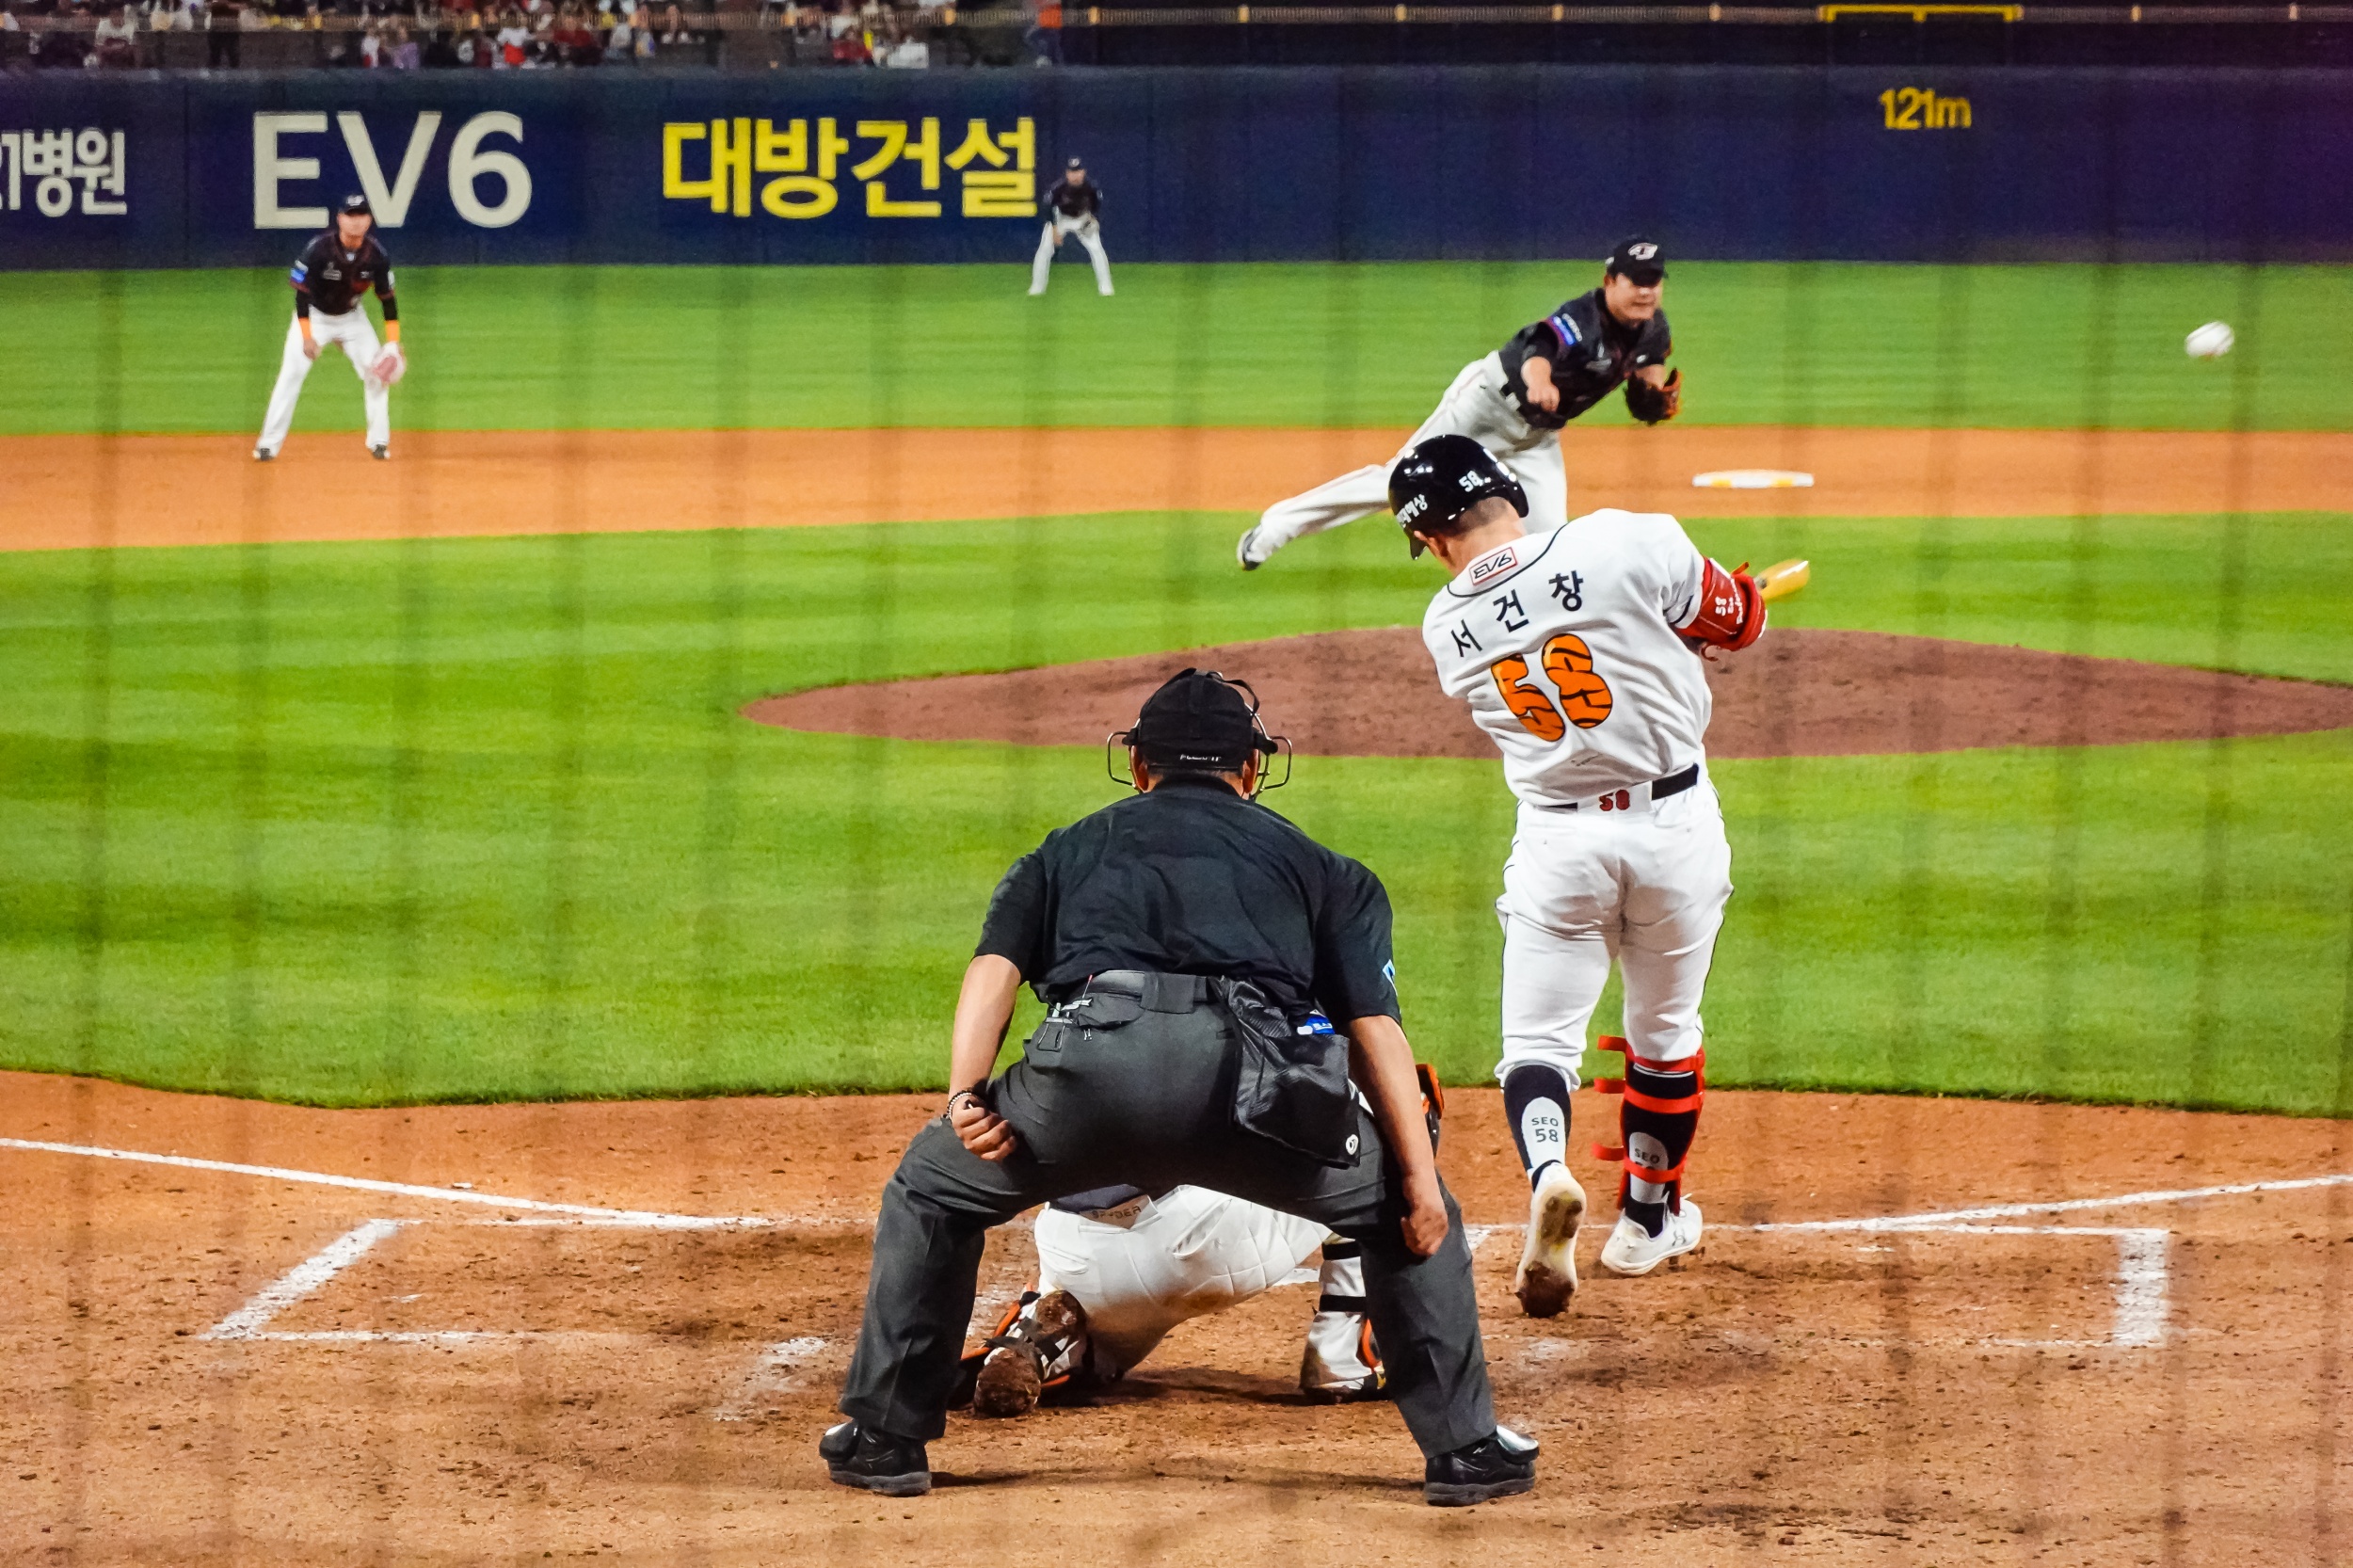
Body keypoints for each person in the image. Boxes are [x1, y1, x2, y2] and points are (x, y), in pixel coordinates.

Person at [822, 671, 1533, 1508]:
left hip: (1085, 1075)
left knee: (932, 1191)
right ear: (1253, 768)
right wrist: (1417, 1186)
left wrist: (964, 1100)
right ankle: (1464, 1451)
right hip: (1252, 1094)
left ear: (1139, 764)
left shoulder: (1064, 850)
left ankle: (886, 1441)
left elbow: (993, 973)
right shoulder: (1325, 869)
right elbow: (1375, 1032)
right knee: (1404, 1214)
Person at [1389, 434, 1761, 1315]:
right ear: (1510, 490)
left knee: (1536, 1045)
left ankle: (1549, 1169)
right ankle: (1646, 1223)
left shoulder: (1446, 627)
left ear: (1433, 539)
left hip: (1559, 843)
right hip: (1674, 828)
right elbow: (1739, 623)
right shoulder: (1631, 538)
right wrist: (1704, 621)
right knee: (1664, 1030)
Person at [1238, 236, 1683, 570]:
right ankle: (1279, 525)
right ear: (1610, 281)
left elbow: (1650, 373)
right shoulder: (1582, 317)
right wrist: (1540, 380)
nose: (1646, 292)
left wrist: (1655, 399)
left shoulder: (1653, 328)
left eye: (1653, 281)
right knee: (1399, 479)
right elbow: (1539, 347)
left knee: (1550, 539)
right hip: (1486, 406)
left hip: (1538, 437)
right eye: (1636, 281)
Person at [253, 193, 404, 462]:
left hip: (352, 319)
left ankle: (379, 442)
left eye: (361, 215)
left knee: (377, 374)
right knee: (290, 376)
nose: (356, 221)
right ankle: (268, 445)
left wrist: (392, 343)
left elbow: (388, 301)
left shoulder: (376, 255)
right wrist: (307, 337)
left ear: (369, 220)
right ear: (340, 219)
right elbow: (301, 294)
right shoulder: (319, 249)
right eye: (350, 215)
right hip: (315, 316)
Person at [1028, 155, 1112, 297]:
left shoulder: (1091, 187)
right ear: (1067, 173)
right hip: (1060, 219)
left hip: (1083, 218)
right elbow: (1047, 208)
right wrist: (1054, 230)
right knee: (1044, 250)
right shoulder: (1058, 188)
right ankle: (1037, 287)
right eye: (1072, 172)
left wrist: (1094, 219)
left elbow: (1097, 205)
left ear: (1083, 172)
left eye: (1078, 171)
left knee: (1097, 249)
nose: (1075, 175)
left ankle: (1106, 288)